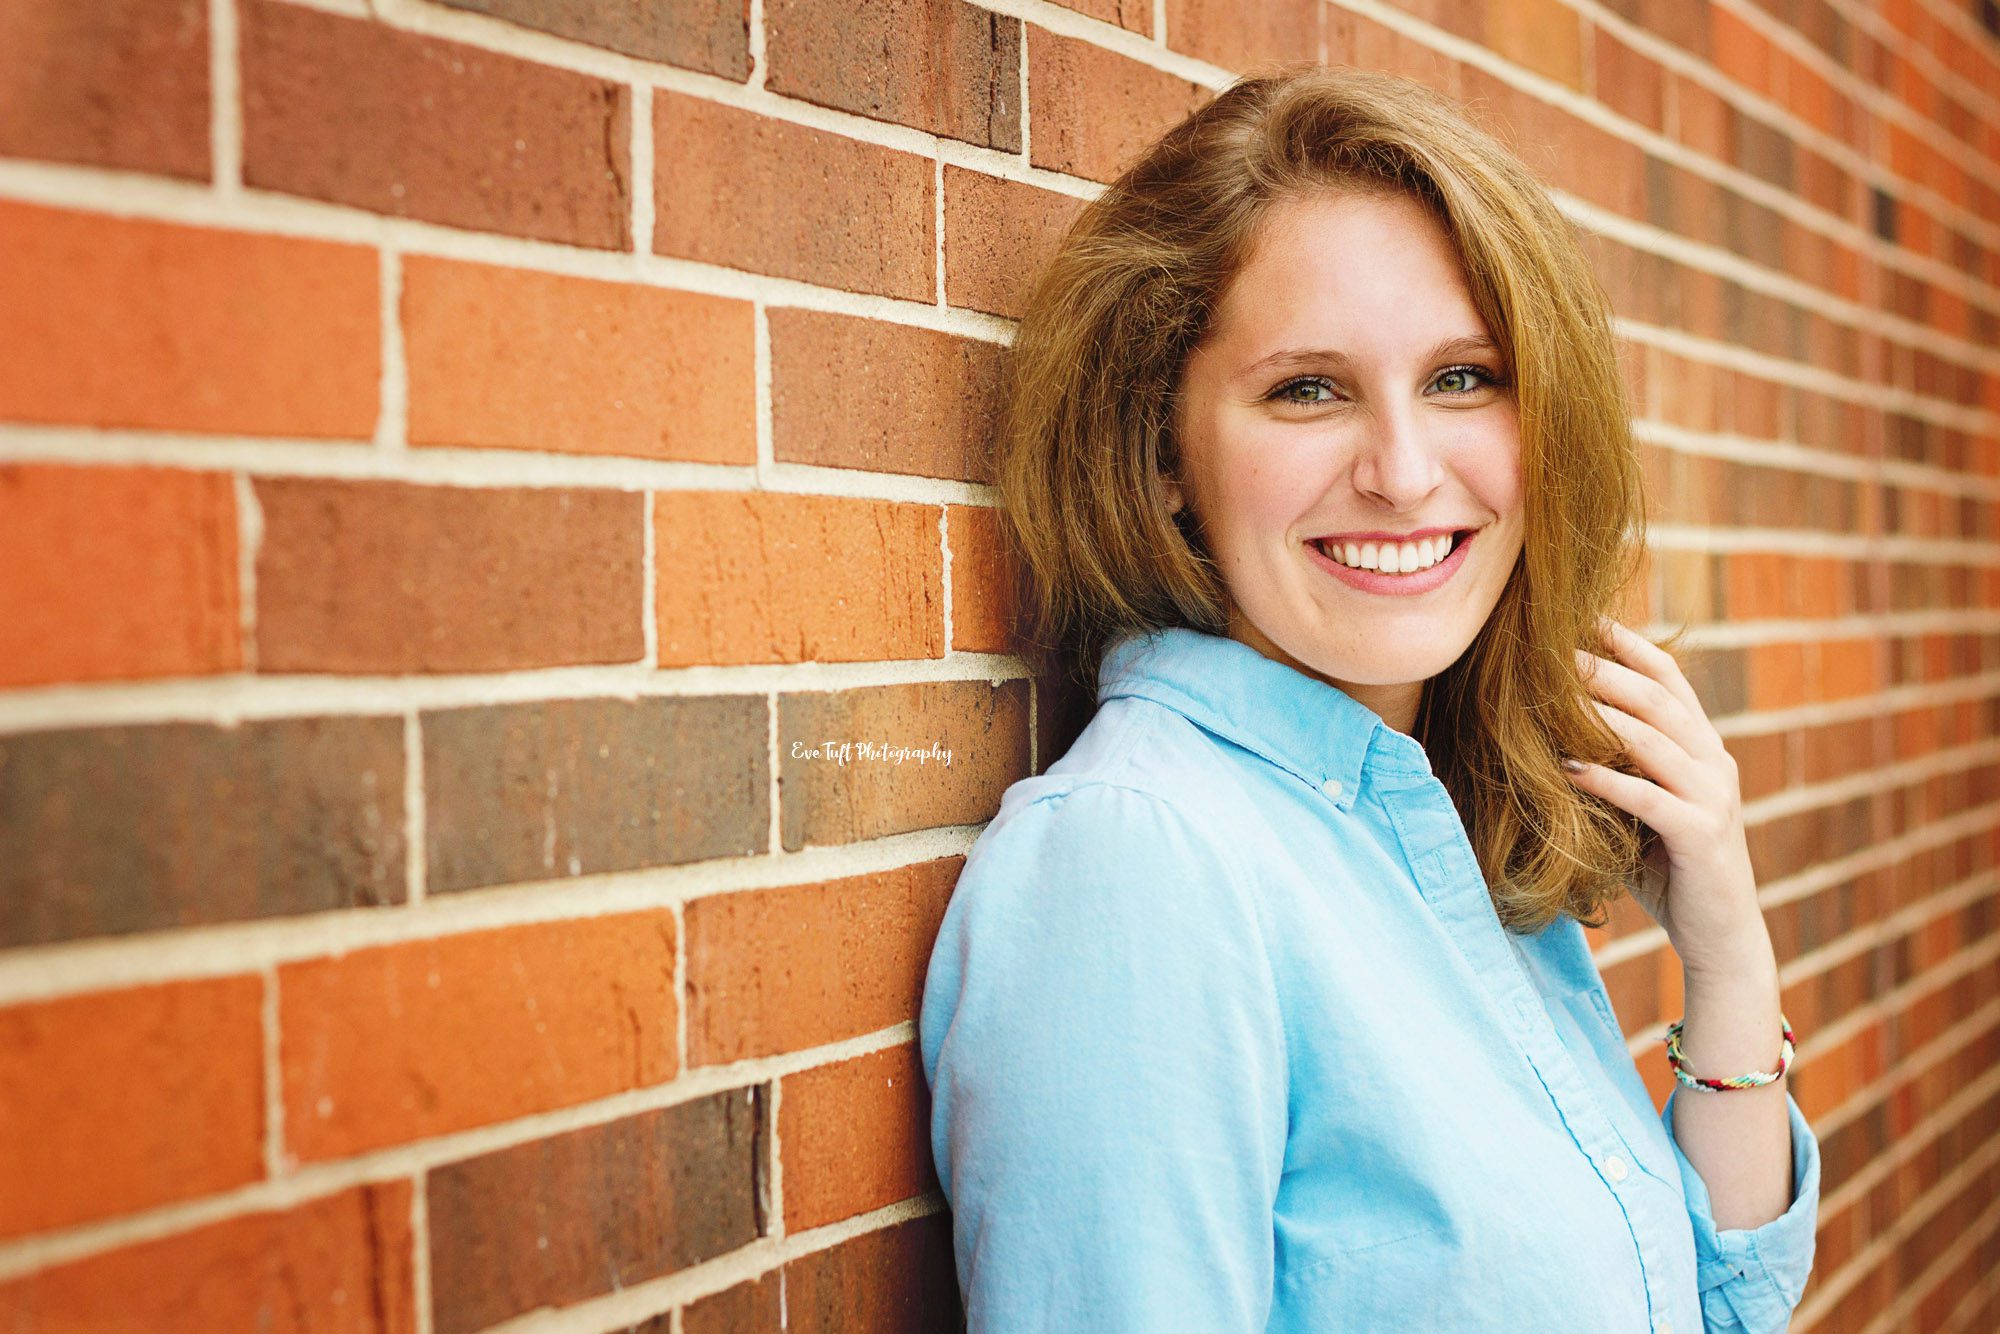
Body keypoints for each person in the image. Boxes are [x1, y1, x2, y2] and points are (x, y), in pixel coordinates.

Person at [916, 64, 1820, 1332]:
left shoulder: (1426, 823)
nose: (1402, 474)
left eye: (1461, 377)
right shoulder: (1138, 863)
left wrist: (1723, 949)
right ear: (1164, 451)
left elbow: (1718, 1309)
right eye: (1307, 388)